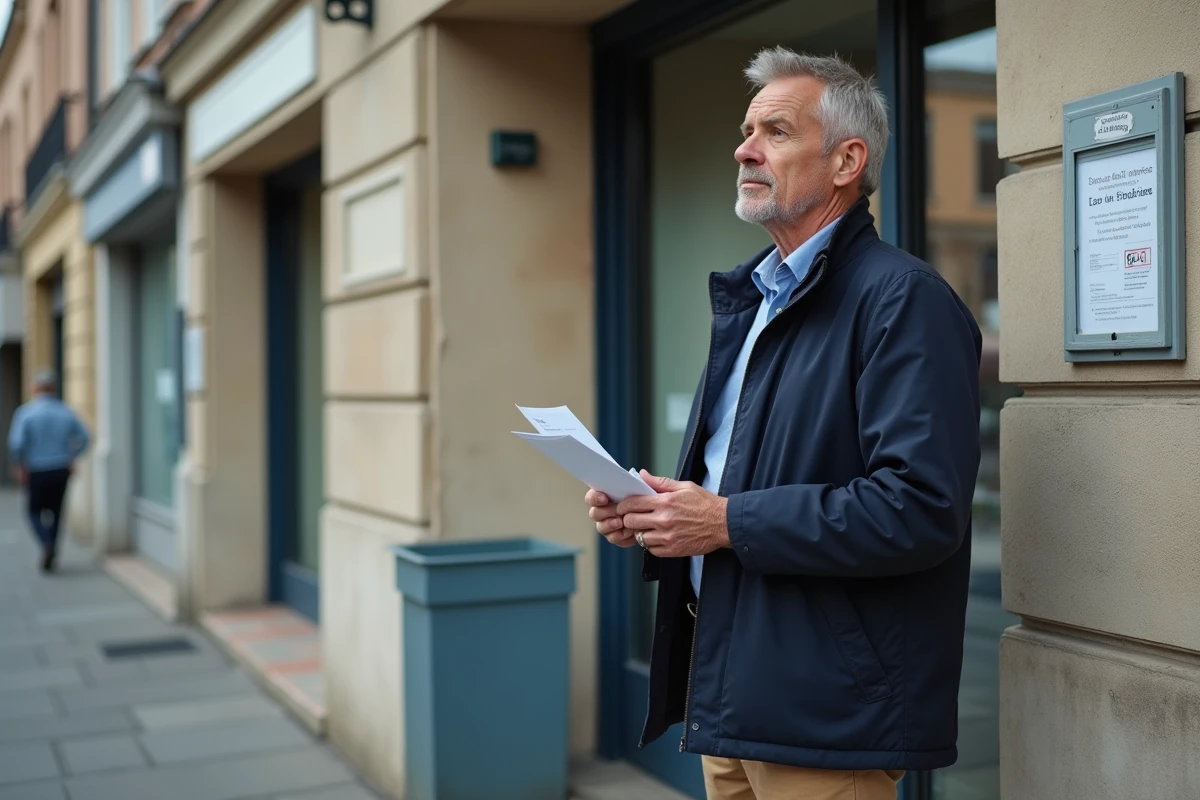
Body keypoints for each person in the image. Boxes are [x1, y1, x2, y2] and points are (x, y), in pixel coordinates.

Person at [586, 48, 981, 800]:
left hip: (827, 716)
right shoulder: (756, 299)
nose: (744, 148)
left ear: (846, 161)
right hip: (730, 695)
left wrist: (725, 521)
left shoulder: (904, 301)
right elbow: (744, 486)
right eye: (745, 130)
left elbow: (920, 508)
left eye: (774, 130)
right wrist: (662, 512)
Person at [8, 369, 91, 572]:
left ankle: (46, 543)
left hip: (36, 469)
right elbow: (86, 438)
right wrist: (71, 456)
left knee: (34, 510)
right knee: (56, 511)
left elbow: (16, 443)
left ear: (36, 388)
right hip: (61, 468)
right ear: (53, 388)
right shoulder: (65, 411)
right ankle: (51, 544)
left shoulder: (26, 413)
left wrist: (20, 464)